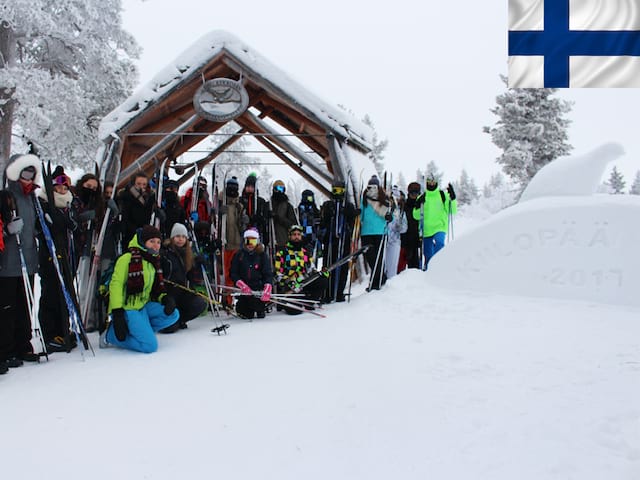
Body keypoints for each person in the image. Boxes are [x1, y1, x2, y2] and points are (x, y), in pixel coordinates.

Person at [101, 225, 179, 353]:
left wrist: (164, 298)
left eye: (158, 242)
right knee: (150, 346)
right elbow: (116, 286)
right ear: (143, 242)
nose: (156, 245)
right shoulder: (126, 259)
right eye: (152, 241)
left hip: (142, 306)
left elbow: (154, 289)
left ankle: (142, 330)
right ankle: (110, 336)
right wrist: (117, 312)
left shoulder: (152, 261)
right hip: (127, 308)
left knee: (173, 314)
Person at [0, 154, 42, 371]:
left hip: (28, 260)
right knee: (7, 308)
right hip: (8, 262)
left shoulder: (32, 198)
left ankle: (23, 345)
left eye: (32, 174)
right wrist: (8, 231)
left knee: (26, 304)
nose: (29, 179)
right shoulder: (6, 197)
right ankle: (5, 350)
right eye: (25, 174)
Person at [36, 167, 79, 353]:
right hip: (49, 255)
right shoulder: (43, 203)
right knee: (51, 293)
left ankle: (63, 328)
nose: (62, 190)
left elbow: (73, 226)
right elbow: (41, 226)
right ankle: (50, 333)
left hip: (66, 254)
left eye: (64, 187)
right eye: (58, 187)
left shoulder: (68, 205)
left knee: (65, 293)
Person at [161, 222, 207, 331]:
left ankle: (179, 319)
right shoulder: (166, 254)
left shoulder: (187, 254)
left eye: (183, 237)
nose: (180, 239)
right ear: (172, 238)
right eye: (177, 236)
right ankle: (171, 321)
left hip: (182, 292)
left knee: (200, 303)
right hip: (168, 294)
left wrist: (198, 266)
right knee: (169, 329)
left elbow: (193, 278)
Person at [319, 180, 359, 302]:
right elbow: (322, 222)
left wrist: (352, 214)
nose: (337, 193)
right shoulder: (328, 205)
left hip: (343, 239)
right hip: (330, 241)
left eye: (340, 190)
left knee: (342, 265)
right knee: (328, 265)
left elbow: (352, 223)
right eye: (335, 190)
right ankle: (327, 292)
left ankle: (339, 291)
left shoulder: (347, 205)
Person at [274, 225, 327, 315]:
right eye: (294, 234)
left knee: (322, 281)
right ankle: (289, 302)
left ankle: (308, 302)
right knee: (294, 311)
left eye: (298, 234)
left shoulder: (305, 252)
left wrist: (321, 273)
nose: (296, 237)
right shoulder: (282, 252)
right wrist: (288, 281)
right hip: (289, 285)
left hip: (303, 282)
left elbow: (311, 269)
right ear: (290, 236)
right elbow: (277, 273)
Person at [413, 175, 457, 270]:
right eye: (429, 182)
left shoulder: (442, 195)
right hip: (426, 229)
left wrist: (452, 199)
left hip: (439, 227)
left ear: (436, 182)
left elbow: (452, 211)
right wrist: (417, 206)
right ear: (427, 183)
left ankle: (440, 266)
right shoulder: (422, 197)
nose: (431, 184)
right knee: (428, 254)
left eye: (433, 182)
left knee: (439, 243)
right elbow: (416, 216)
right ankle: (429, 271)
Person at [229, 228, 273, 319]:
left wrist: (267, 287)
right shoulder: (239, 255)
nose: (250, 244)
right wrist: (241, 284)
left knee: (258, 308)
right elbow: (233, 273)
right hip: (244, 291)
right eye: (248, 241)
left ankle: (261, 307)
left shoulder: (262, 255)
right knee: (245, 314)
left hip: (257, 290)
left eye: (253, 241)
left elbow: (267, 273)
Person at [217, 176, 249, 304]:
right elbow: (213, 222)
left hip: (236, 244)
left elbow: (241, 227)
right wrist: (219, 213)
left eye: (235, 187)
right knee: (222, 274)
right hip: (223, 243)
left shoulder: (239, 205)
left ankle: (230, 300)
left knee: (233, 273)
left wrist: (244, 221)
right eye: (230, 186)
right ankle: (222, 298)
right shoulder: (219, 201)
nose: (232, 189)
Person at [360, 175, 392, 291]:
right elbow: (361, 217)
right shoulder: (364, 199)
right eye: (370, 186)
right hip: (366, 233)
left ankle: (375, 283)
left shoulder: (384, 200)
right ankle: (381, 278)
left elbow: (390, 214)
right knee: (371, 258)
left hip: (380, 232)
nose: (371, 189)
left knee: (378, 258)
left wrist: (389, 217)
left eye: (374, 186)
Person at [117, 172, 156, 250]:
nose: (141, 187)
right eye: (138, 184)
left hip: (145, 233)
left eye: (144, 184)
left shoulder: (150, 197)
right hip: (128, 233)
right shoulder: (125, 196)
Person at [240, 173, 270, 248]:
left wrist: (259, 218)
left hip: (257, 230)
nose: (249, 188)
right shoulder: (240, 200)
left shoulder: (260, 201)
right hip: (244, 230)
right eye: (248, 186)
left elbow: (264, 218)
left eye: (252, 187)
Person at [385, 186, 408, 280]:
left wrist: (400, 225)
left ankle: (390, 284)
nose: (394, 200)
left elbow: (404, 228)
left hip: (395, 241)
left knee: (392, 267)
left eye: (396, 198)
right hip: (384, 240)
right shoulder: (385, 208)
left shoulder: (401, 211)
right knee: (383, 266)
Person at [399, 182, 422, 272]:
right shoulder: (405, 205)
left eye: (416, 193)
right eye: (412, 193)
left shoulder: (420, 205)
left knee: (416, 262)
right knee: (406, 260)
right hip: (406, 237)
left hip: (417, 236)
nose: (414, 196)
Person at [269, 179, 297, 250]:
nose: (279, 191)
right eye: (277, 188)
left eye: (281, 189)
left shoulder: (288, 206)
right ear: (274, 189)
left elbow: (292, 224)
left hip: (284, 241)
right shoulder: (269, 205)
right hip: (270, 240)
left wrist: (278, 218)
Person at [297, 189, 321, 255]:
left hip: (312, 237)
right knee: (302, 255)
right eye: (310, 198)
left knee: (311, 255)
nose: (311, 200)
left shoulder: (315, 210)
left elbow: (318, 222)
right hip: (301, 237)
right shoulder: (299, 210)